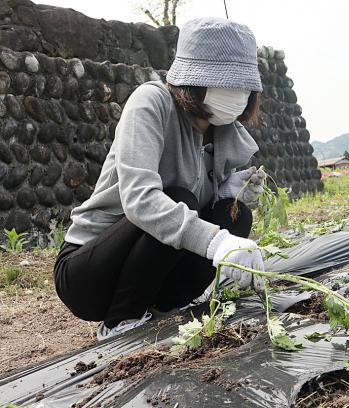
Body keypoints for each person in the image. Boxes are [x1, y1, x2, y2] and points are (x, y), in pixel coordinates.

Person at [53, 17, 268, 340]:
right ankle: (120, 321)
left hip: (152, 270)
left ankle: (170, 306)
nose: (236, 95)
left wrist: (229, 195)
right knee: (179, 200)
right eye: (225, 84)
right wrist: (216, 242)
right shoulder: (152, 103)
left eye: (241, 87)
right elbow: (140, 200)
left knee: (234, 215)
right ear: (194, 80)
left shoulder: (224, 134)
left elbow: (205, 210)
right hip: (90, 273)